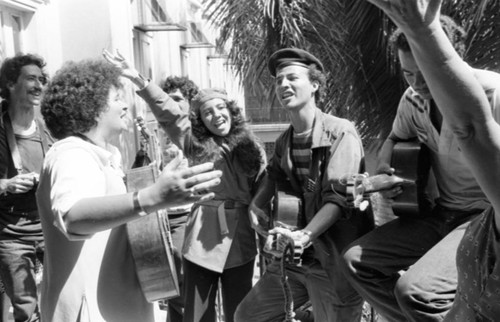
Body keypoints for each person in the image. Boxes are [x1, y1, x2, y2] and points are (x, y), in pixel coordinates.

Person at [341, 8, 500, 322]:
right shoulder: (412, 99)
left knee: (415, 292)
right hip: (440, 213)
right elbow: (395, 138)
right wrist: (386, 169)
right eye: (407, 73)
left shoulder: (493, 93)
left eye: (422, 72)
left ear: (447, 57)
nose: (416, 83)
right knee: (356, 262)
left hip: (485, 217)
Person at [36, 58, 222, 322]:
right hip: (89, 312)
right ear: (91, 107)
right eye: (116, 99)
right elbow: (72, 216)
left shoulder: (102, 156)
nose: (125, 105)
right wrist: (153, 197)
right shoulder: (71, 152)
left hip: (116, 307)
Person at [103, 50, 267, 322]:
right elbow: (169, 114)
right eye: (207, 113)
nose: (216, 116)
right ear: (200, 120)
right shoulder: (195, 143)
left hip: (241, 239)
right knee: (197, 314)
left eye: (220, 109)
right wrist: (137, 79)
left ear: (231, 110)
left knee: (239, 313)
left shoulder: (254, 147)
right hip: (203, 235)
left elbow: (264, 186)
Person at [235, 48, 373, 322]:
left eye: (292, 78)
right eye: (278, 80)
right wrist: (256, 204)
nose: (283, 85)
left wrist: (307, 234)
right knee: (248, 316)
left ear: (314, 85)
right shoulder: (286, 139)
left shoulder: (341, 132)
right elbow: (273, 175)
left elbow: (338, 198)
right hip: (294, 262)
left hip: (333, 262)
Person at [0, 53, 53, 322]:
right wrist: (6, 184)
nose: (39, 85)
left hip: (50, 230)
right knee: (26, 309)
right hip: (11, 236)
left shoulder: (48, 131)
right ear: (10, 83)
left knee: (58, 303)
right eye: (31, 78)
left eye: (41, 79)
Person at [159, 76, 199, 322]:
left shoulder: (196, 133)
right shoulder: (159, 132)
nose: (171, 104)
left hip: (186, 216)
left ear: (189, 105)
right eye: (167, 100)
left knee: (184, 284)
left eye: (177, 99)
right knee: (170, 285)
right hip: (161, 217)